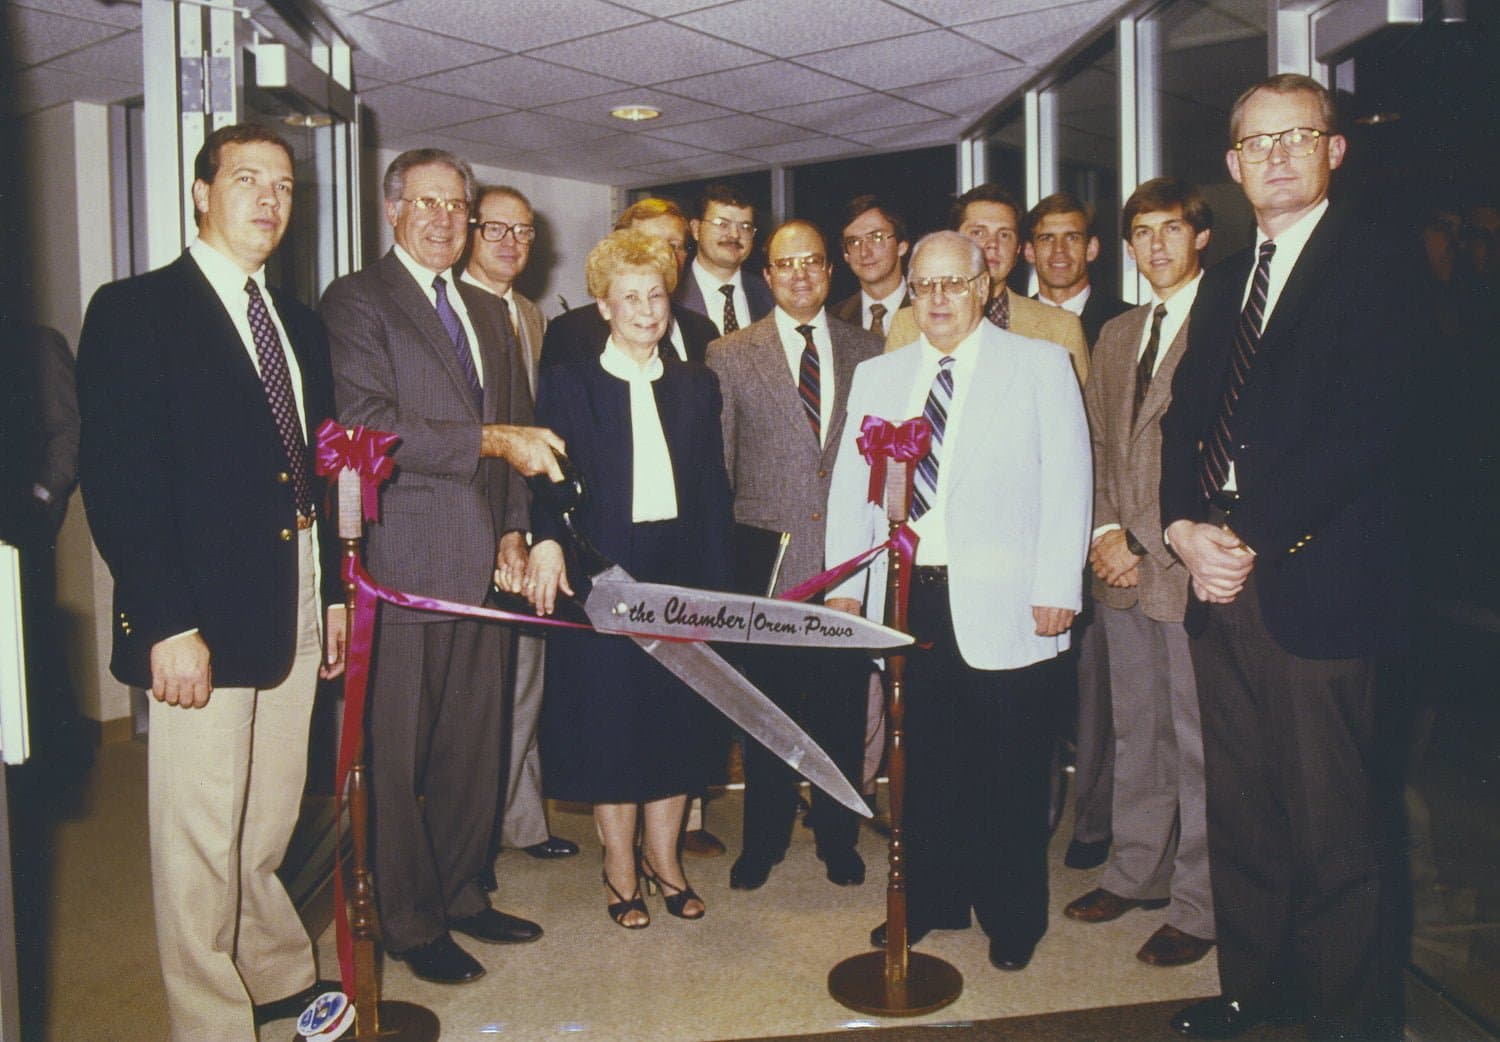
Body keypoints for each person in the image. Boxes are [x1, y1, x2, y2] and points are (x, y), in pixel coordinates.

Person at [76, 123, 344, 1041]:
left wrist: (335, 593)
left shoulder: (298, 325)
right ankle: (210, 1020)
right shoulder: (136, 309)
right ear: (201, 192)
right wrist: (164, 621)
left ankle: (270, 970)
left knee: (268, 818)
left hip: (296, 594)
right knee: (198, 834)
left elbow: (317, 469)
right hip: (199, 612)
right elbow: (119, 479)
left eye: (282, 185)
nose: (268, 199)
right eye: (245, 179)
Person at [1160, 75, 1413, 1041]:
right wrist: (1183, 530)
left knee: (1336, 832)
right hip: (1219, 584)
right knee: (1245, 817)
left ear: (1333, 151)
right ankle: (1255, 998)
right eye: (1254, 143)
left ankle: (1353, 1024)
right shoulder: (1226, 280)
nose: (1273, 156)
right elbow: (1186, 422)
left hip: (1317, 587)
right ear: (1231, 165)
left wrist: (1247, 536)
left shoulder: (1375, 262)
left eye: (1295, 137)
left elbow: (1370, 430)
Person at [321, 148, 563, 986]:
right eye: (424, 202)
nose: (443, 218)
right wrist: (493, 443)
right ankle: (409, 917)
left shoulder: (492, 314)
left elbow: (519, 432)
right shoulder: (358, 301)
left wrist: (513, 531)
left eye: (455, 204)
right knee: (397, 759)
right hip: (401, 564)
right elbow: (369, 427)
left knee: (475, 746)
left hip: (482, 569)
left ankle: (462, 891)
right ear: (392, 211)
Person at [827, 230, 1091, 973]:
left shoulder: (1040, 366)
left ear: (984, 288)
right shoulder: (880, 376)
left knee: (1010, 766)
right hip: (910, 599)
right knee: (924, 763)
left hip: (1012, 604)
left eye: (954, 284)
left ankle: (1013, 916)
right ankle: (933, 901)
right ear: (911, 292)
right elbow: (852, 491)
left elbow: (1069, 479)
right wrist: (847, 588)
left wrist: (1056, 589)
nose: (939, 299)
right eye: (925, 285)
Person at [524, 228, 733, 928]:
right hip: (600, 579)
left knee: (676, 724)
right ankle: (619, 868)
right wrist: (548, 545)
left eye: (656, 295)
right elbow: (545, 487)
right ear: (603, 307)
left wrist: (717, 591)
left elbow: (712, 492)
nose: (646, 309)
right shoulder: (569, 383)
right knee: (612, 727)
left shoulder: (697, 385)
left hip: (681, 577)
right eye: (630, 298)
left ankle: (665, 859)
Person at [1065, 177, 1215, 969]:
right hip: (1118, 565)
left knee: (1197, 743)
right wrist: (1105, 529)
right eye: (1142, 233)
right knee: (1136, 731)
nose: (1155, 245)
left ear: (1201, 238)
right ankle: (1137, 871)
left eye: (1171, 229)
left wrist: (1146, 536)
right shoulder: (1120, 333)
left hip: (1187, 569)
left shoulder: (1226, 324)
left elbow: (1211, 457)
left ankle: (1199, 905)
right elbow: (1095, 445)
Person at [707, 219, 881, 891]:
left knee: (839, 711)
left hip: (844, 564)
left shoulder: (870, 350)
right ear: (767, 274)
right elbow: (720, 469)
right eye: (786, 264)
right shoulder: (729, 353)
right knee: (765, 715)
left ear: (829, 270)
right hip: (767, 566)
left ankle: (839, 838)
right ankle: (765, 840)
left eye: (812, 261)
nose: (800, 274)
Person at [461, 185, 580, 877]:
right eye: (494, 228)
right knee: (480, 695)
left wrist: (537, 527)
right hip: (470, 525)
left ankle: (522, 821)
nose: (510, 242)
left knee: (526, 680)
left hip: (528, 523)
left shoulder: (531, 315)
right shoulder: (453, 310)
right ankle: (472, 837)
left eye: (523, 231)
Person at [883, 183, 1088, 384]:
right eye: (978, 233)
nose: (992, 244)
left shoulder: (1061, 328)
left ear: (1018, 248)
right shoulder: (907, 324)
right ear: (954, 239)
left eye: (1004, 235)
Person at [539, 198, 720, 368]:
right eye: (649, 243)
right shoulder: (571, 332)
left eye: (673, 245)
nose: (666, 256)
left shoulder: (703, 331)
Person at [1024, 191, 1132, 348]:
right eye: (1047, 238)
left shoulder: (1127, 323)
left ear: (1091, 249)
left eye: (1072, 238)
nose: (1059, 249)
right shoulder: (1010, 325)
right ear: (1029, 251)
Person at [675, 182, 774, 334]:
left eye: (745, 227)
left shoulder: (770, 295)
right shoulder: (672, 294)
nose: (734, 235)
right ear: (696, 229)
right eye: (722, 224)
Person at [831, 194, 909, 334]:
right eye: (854, 242)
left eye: (876, 238)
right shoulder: (833, 320)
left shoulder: (930, 309)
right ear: (845, 255)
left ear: (901, 246)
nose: (864, 252)